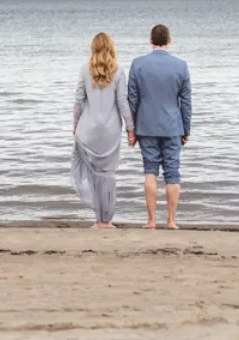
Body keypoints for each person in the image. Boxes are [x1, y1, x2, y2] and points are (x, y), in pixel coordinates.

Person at [127, 24, 192, 230]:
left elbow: (132, 99)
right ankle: (171, 221)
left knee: (150, 171)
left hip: (146, 126)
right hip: (173, 126)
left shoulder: (138, 65)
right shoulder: (180, 66)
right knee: (173, 173)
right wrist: (186, 129)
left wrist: (131, 129)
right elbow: (186, 101)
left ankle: (151, 220)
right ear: (169, 40)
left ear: (151, 41)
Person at [71, 32, 134, 229]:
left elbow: (78, 102)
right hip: (110, 132)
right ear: (111, 48)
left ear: (93, 48)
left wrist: (74, 125)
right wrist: (131, 129)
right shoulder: (118, 71)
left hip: (87, 131)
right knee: (108, 175)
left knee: (92, 175)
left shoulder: (84, 70)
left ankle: (98, 220)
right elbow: (123, 103)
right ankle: (106, 221)